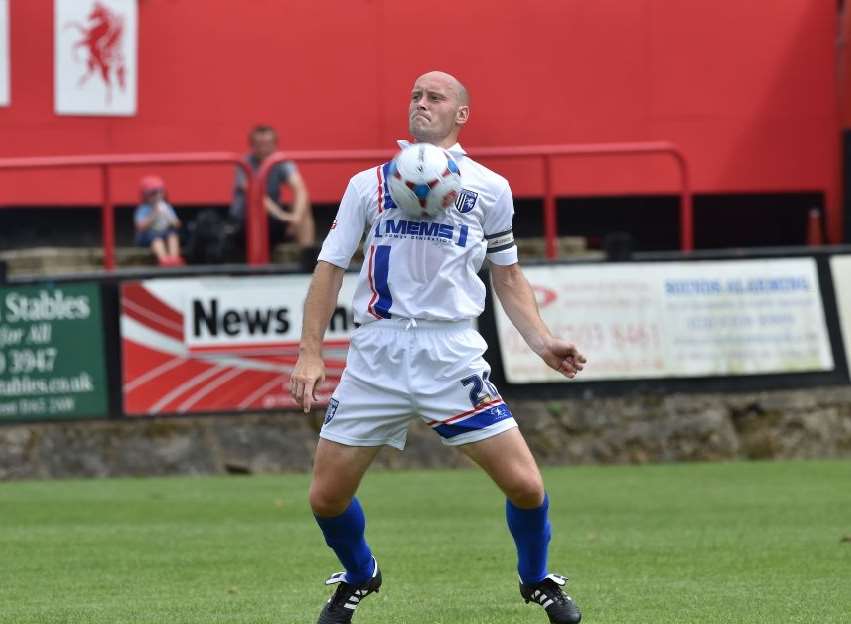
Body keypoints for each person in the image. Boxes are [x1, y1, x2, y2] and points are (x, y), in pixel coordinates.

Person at [289, 71, 587, 624]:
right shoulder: (369, 184)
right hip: (377, 352)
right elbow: (329, 267)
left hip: (450, 354)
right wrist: (311, 351)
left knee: (525, 485)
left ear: (462, 114)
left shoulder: (490, 188)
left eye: (435, 97)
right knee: (324, 498)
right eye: (415, 97)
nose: (421, 105)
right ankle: (359, 574)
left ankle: (537, 577)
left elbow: (508, 276)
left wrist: (542, 341)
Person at [229, 124, 316, 260]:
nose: (264, 148)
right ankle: (257, 265)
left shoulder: (280, 161)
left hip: (273, 219)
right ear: (252, 146)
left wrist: (296, 217)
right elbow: (255, 196)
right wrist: (282, 215)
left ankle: (308, 257)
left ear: (275, 145)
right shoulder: (244, 164)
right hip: (245, 222)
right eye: (259, 144)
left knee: (303, 209)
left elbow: (299, 188)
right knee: (256, 209)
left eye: (268, 144)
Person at [134, 175, 183, 266]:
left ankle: (174, 258)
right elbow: (140, 227)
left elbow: (177, 224)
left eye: (160, 192)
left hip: (164, 232)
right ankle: (163, 259)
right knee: (156, 238)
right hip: (147, 236)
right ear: (145, 196)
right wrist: (154, 214)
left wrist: (169, 217)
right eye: (153, 193)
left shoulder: (167, 207)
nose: (158, 196)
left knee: (173, 235)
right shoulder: (143, 209)